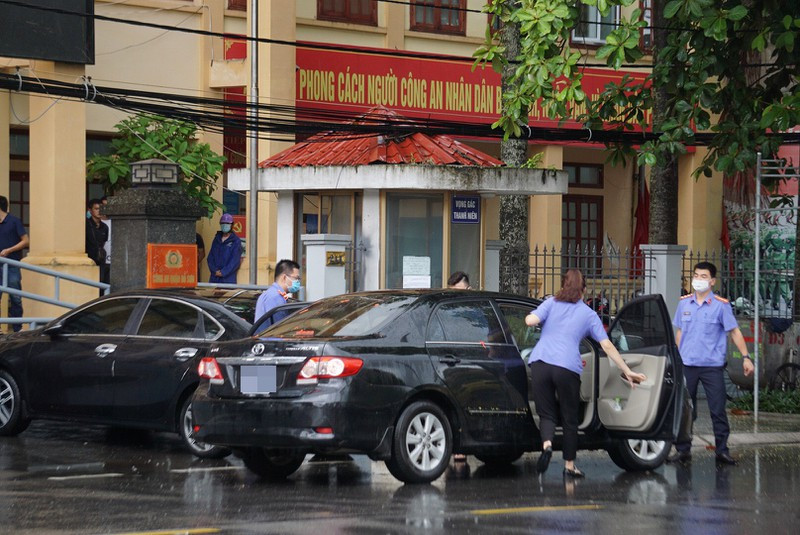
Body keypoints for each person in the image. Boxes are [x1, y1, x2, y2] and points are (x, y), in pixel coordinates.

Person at [525, 269, 646, 478]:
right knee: (570, 418)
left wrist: (537, 317)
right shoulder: (588, 314)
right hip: (566, 367)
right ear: (584, 290)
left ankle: (546, 446)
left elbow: (529, 321)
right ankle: (569, 465)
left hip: (540, 363)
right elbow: (607, 346)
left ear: (563, 286)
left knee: (547, 414)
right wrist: (627, 370)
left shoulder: (552, 303)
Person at [667, 261, 754, 466]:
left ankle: (722, 451)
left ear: (712, 281)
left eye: (703, 276)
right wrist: (678, 356)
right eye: (696, 275)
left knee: (717, 410)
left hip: (712, 367)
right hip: (687, 365)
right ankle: (683, 450)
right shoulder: (684, 303)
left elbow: (734, 331)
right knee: (685, 410)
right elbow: (679, 332)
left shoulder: (721, 305)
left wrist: (746, 357)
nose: (698, 280)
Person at [0, 196, 29, 332]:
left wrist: (9, 250)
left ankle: (17, 329)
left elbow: (25, 241)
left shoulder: (14, 221)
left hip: (11, 264)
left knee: (15, 298)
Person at [254, 259, 301, 327]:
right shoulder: (275, 297)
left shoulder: (271, 293)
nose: (297, 282)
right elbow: (279, 328)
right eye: (296, 278)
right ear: (284, 277)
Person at [207, 213, 242, 284]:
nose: (225, 225)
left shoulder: (235, 241)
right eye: (223, 223)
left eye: (227, 223)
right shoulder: (217, 239)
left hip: (228, 279)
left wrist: (223, 272)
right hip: (215, 277)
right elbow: (210, 257)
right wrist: (215, 271)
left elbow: (235, 261)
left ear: (232, 225)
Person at [85, 198, 110, 285]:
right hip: (89, 259)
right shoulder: (86, 225)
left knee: (103, 284)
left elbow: (104, 242)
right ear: (90, 210)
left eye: (101, 209)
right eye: (96, 209)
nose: (99, 211)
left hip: (101, 260)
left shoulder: (105, 227)